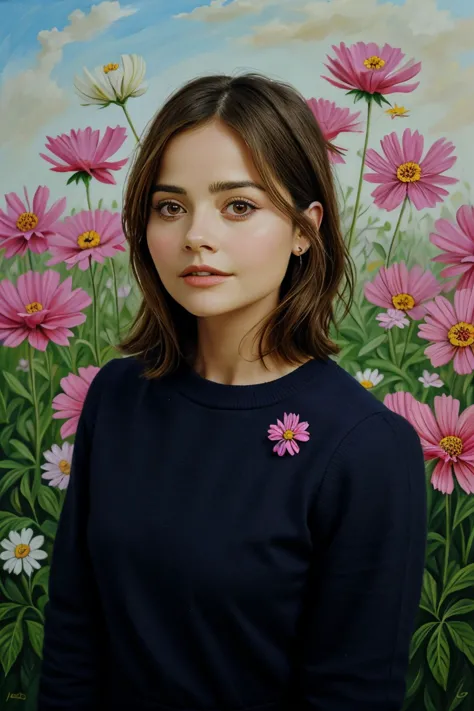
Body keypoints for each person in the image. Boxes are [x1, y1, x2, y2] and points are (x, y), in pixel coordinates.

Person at [38, 72, 427, 711]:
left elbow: (351, 695)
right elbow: (73, 638)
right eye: (170, 206)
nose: (196, 234)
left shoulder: (367, 450)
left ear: (305, 228)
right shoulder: (115, 396)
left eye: (238, 205)